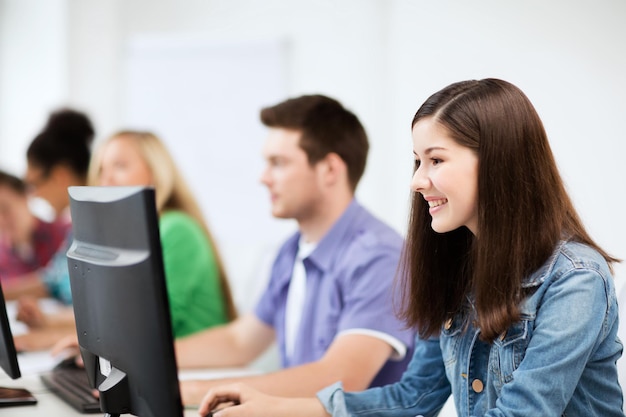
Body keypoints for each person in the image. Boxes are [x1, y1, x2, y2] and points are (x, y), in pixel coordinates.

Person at [196, 79, 624, 417]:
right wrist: (274, 407)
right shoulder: (455, 268)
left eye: (435, 160)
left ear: (497, 162)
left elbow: (523, 413)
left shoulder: (576, 279)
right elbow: (415, 395)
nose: (417, 180)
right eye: (417, 161)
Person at [176, 94, 414, 405]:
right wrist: (145, 358)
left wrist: (192, 392)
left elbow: (341, 377)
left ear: (330, 169)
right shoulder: (292, 251)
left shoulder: (380, 257)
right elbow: (240, 342)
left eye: (278, 163)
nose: (263, 178)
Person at [87, 130, 236, 337]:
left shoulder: (177, 229)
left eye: (120, 166)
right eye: (101, 170)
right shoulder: (133, 236)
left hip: (201, 366)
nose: (106, 179)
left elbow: (152, 322)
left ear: (155, 173)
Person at [10, 109, 94, 352]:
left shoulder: (101, 230)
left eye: (34, 184)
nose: (32, 195)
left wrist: (48, 334)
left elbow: (112, 318)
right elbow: (51, 280)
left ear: (60, 175)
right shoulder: (77, 229)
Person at [0, 169, 67, 281]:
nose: (1, 220)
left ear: (25, 196)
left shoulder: (65, 235)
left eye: (5, 208)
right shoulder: (2, 259)